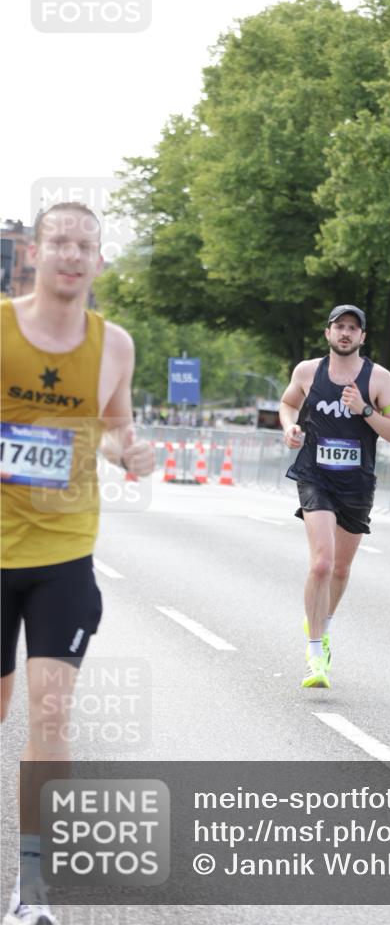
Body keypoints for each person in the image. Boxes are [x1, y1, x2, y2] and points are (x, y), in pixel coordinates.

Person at [1, 202, 154, 925]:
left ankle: (34, 888)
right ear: (34, 252)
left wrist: (131, 450)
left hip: (65, 556)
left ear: (98, 261)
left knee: (52, 711)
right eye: (58, 241)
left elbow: (116, 424)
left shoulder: (113, 345)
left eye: (84, 245)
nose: (70, 254)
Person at [280, 305, 390, 689]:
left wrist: (365, 409)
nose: (346, 333)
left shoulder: (379, 378)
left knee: (340, 570)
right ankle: (315, 653)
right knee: (321, 563)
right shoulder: (307, 372)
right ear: (328, 333)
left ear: (363, 337)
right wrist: (290, 427)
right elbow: (288, 404)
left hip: (356, 483)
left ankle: (324, 623)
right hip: (315, 476)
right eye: (340, 327)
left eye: (353, 328)